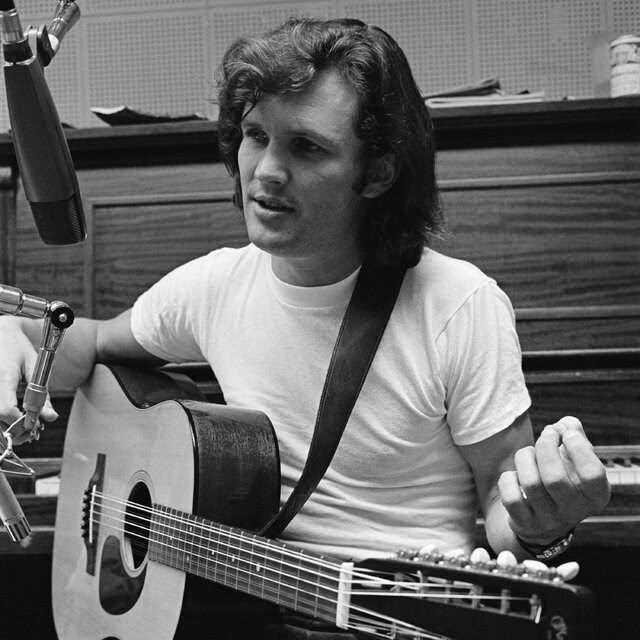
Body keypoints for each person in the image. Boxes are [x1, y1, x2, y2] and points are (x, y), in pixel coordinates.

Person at [0, 17, 610, 640]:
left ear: (376, 173)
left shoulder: (459, 304)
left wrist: (541, 520)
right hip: (242, 614)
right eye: (255, 135)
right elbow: (89, 342)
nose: (264, 170)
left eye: (306, 147)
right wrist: (16, 341)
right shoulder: (218, 285)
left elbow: (504, 508)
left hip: (396, 614)